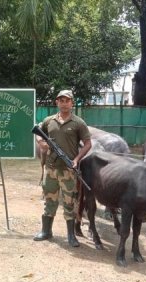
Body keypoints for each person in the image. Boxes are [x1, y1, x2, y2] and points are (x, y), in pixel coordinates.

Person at [34, 90, 92, 247]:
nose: (64, 103)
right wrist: (41, 142)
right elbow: (38, 131)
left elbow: (88, 144)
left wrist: (76, 159)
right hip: (51, 169)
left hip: (68, 170)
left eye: (67, 100)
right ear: (57, 102)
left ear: (72, 103)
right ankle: (46, 232)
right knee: (49, 200)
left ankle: (71, 236)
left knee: (69, 203)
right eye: (61, 100)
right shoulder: (49, 121)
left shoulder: (78, 123)